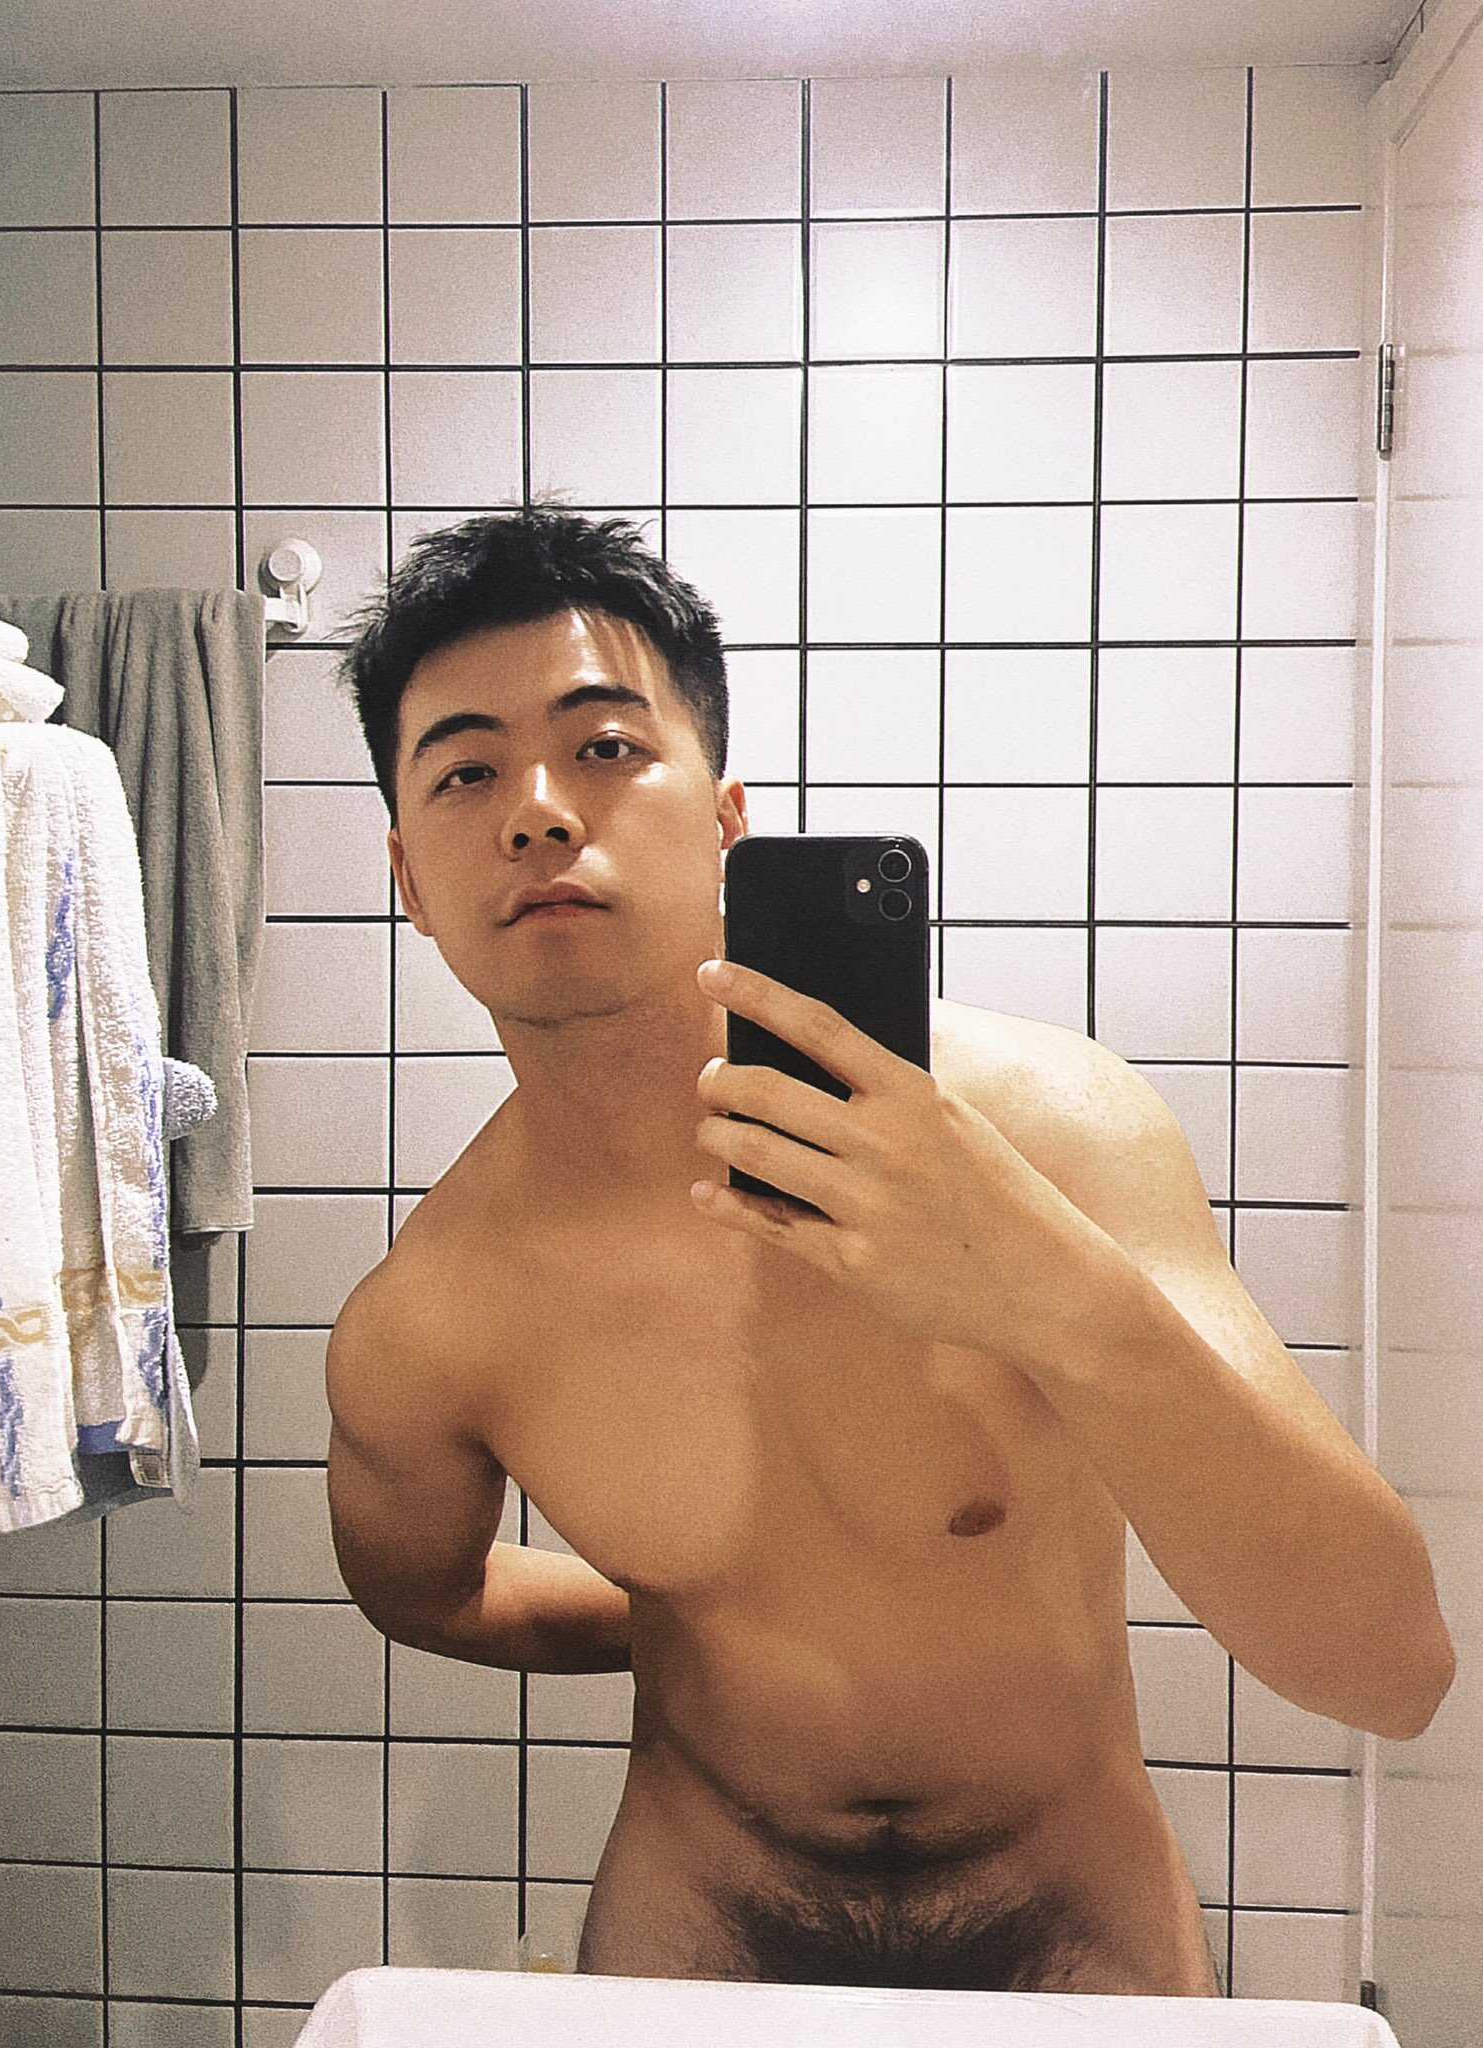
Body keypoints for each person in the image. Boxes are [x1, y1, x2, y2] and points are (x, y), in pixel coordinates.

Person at [324, 502, 1455, 1995]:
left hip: (1071, 1923)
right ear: (410, 880)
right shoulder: (435, 1314)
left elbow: (1391, 1670)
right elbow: (425, 1591)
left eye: (604, 747)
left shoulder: (1047, 1132)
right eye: (466, 770)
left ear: (726, 823)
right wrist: (695, 1615)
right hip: (699, 1927)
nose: (536, 809)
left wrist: (1048, 1292)